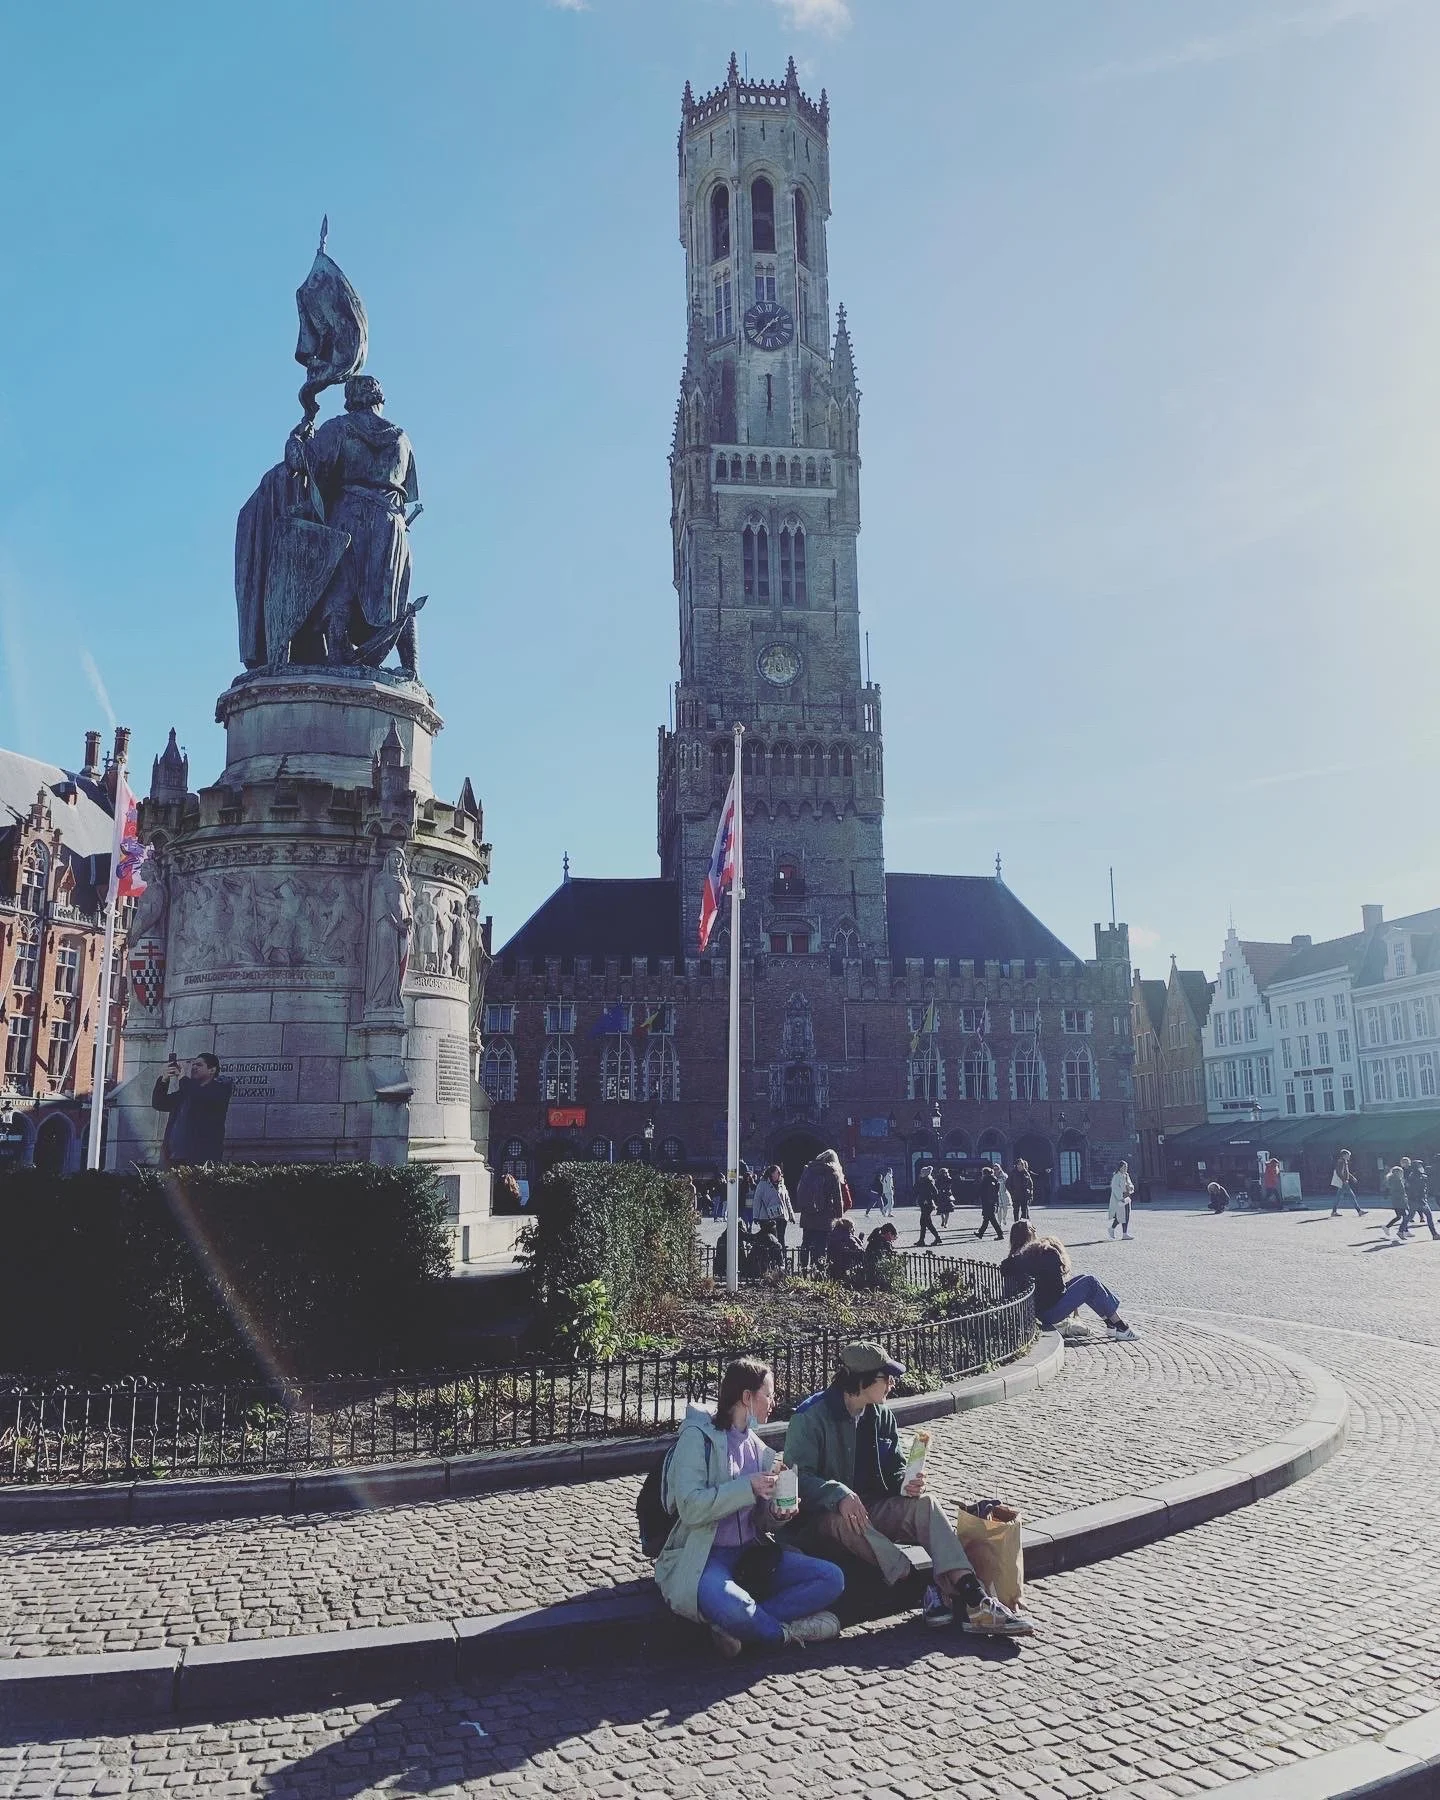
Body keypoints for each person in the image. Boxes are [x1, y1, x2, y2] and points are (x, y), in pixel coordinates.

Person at [782, 1341, 1035, 1635]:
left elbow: (893, 1469)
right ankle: (920, 1587)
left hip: (871, 1507)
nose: (892, 1382)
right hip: (822, 1520)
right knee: (848, 1519)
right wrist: (838, 1494)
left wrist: (907, 1481)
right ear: (861, 1380)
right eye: (885, 1376)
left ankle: (974, 1597)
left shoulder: (881, 1415)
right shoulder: (810, 1417)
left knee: (925, 1504)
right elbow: (798, 1477)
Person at [655, 1358, 846, 1657]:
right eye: (768, 1394)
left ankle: (740, 1626)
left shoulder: (758, 1448)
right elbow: (691, 1507)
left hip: (751, 1557)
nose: (773, 1402)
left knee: (832, 1578)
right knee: (728, 1603)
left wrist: (777, 1513)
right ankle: (785, 1633)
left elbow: (761, 1522)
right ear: (746, 1397)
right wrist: (748, 1487)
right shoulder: (698, 1439)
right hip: (706, 1557)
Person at [1002, 1220, 1138, 1340]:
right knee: (1090, 1282)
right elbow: (1058, 1290)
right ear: (1030, 1233)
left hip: (1034, 1310)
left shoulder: (1011, 1261)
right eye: (1034, 1228)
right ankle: (1121, 1326)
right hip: (1048, 1312)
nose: (1037, 1231)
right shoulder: (1044, 1252)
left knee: (1084, 1279)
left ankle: (1110, 1323)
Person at [151, 1052, 233, 1167]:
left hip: (201, 1158)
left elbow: (199, 1096)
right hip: (174, 1158)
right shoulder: (187, 1091)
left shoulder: (219, 1089)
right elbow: (159, 1103)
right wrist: (164, 1080)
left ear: (212, 1070)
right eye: (193, 1065)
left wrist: (182, 1078)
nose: (194, 1067)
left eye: (199, 1065)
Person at [796, 1148, 848, 1274]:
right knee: (820, 1245)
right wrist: (839, 1218)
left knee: (806, 1243)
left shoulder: (808, 1170)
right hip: (824, 1215)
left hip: (807, 1213)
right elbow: (837, 1198)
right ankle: (818, 1271)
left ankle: (803, 1268)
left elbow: (799, 1189)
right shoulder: (832, 1173)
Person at [752, 1164, 793, 1249]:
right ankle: (769, 1258)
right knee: (769, 1239)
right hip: (767, 1217)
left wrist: (791, 1214)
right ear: (772, 1174)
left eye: (780, 1173)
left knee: (780, 1239)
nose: (780, 1174)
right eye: (778, 1172)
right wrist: (755, 1216)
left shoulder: (782, 1184)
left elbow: (787, 1200)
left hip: (781, 1216)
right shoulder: (762, 1184)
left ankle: (781, 1259)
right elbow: (757, 1200)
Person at [1399, 1159, 1439, 1241]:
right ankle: (1434, 1234)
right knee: (1415, 1216)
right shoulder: (1414, 1177)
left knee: (1411, 1216)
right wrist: (1420, 1199)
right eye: (1420, 1166)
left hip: (1419, 1200)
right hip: (1417, 1200)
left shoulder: (1419, 1175)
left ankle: (1401, 1231)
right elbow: (1415, 1190)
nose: (1421, 1167)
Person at [826, 1214, 864, 1282]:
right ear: (849, 1227)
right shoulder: (847, 1235)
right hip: (843, 1261)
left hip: (833, 1259)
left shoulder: (834, 1233)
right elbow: (856, 1247)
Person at [914, 1164, 943, 1247]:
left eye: (922, 1172)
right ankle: (922, 1240)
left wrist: (928, 1199)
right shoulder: (922, 1180)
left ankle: (937, 1238)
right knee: (924, 1222)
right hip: (923, 1203)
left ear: (925, 1173)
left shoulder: (928, 1181)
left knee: (926, 1222)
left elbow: (935, 1192)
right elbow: (916, 1189)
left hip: (927, 1204)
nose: (920, 1173)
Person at [1330, 1148, 1363, 1219]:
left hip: (1344, 1181)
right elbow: (1339, 1172)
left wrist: (1352, 1177)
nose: (1349, 1156)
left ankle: (1334, 1211)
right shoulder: (1342, 1162)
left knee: (1338, 1197)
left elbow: (1346, 1172)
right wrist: (1344, 1180)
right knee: (1352, 1196)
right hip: (1344, 1182)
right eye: (1348, 1155)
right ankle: (1359, 1211)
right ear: (1344, 1155)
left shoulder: (1343, 1161)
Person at [975, 1162, 1004, 1240]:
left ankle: (1000, 1234)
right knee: (986, 1219)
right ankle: (980, 1233)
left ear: (985, 1173)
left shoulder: (986, 1180)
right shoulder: (994, 1180)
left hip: (988, 1203)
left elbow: (984, 1192)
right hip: (992, 1202)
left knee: (992, 1220)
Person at [1108, 1161, 1135, 1240]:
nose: (1125, 1168)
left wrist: (1131, 1187)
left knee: (1126, 1215)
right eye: (1124, 1167)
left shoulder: (1126, 1175)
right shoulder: (1116, 1176)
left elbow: (1130, 1183)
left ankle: (1124, 1234)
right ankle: (1112, 1228)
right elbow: (1115, 1188)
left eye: (1126, 1167)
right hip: (1119, 1198)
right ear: (1120, 1168)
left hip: (1126, 1197)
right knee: (1120, 1216)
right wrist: (1121, 1197)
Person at [1382, 1160, 1411, 1233]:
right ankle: (1405, 1231)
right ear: (1397, 1173)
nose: (1402, 1174)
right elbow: (1401, 1191)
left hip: (1397, 1200)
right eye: (1401, 1172)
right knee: (1404, 1216)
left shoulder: (1393, 1179)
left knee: (1399, 1216)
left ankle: (1387, 1227)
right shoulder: (1397, 1180)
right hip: (1399, 1200)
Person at [1008, 1158, 1034, 1223]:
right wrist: (1012, 1192)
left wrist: (1030, 1194)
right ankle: (1016, 1224)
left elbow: (1030, 1185)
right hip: (1015, 1195)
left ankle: (1024, 1226)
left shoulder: (1026, 1173)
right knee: (1016, 1211)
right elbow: (1008, 1184)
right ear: (1016, 1165)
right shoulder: (1013, 1173)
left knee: (1024, 1211)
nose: (1020, 1166)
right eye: (1018, 1164)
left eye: (1021, 1164)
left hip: (1024, 1195)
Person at [934, 1165, 955, 1229]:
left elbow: (936, 1186)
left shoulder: (940, 1179)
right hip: (944, 1195)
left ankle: (944, 1221)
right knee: (944, 1210)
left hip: (943, 1195)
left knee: (944, 1210)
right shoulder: (946, 1178)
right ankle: (945, 1221)